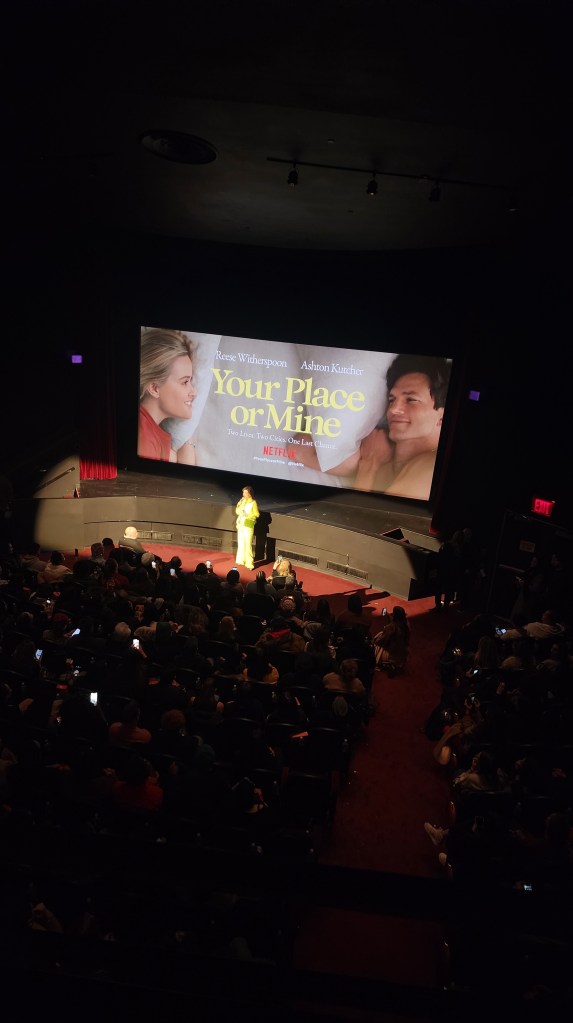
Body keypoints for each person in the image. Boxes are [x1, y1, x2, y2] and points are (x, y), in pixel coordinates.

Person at [138, 326, 198, 464]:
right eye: (185, 382)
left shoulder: (151, 432)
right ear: (154, 388)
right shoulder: (144, 440)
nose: (194, 392)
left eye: (191, 381)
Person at [235, 485, 260, 570]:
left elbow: (257, 514)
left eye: (245, 493)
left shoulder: (253, 502)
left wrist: (248, 515)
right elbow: (237, 511)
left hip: (248, 525)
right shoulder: (242, 501)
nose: (244, 494)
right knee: (241, 542)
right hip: (240, 524)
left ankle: (249, 563)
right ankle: (241, 560)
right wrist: (241, 505)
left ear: (250, 494)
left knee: (248, 544)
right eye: (243, 492)